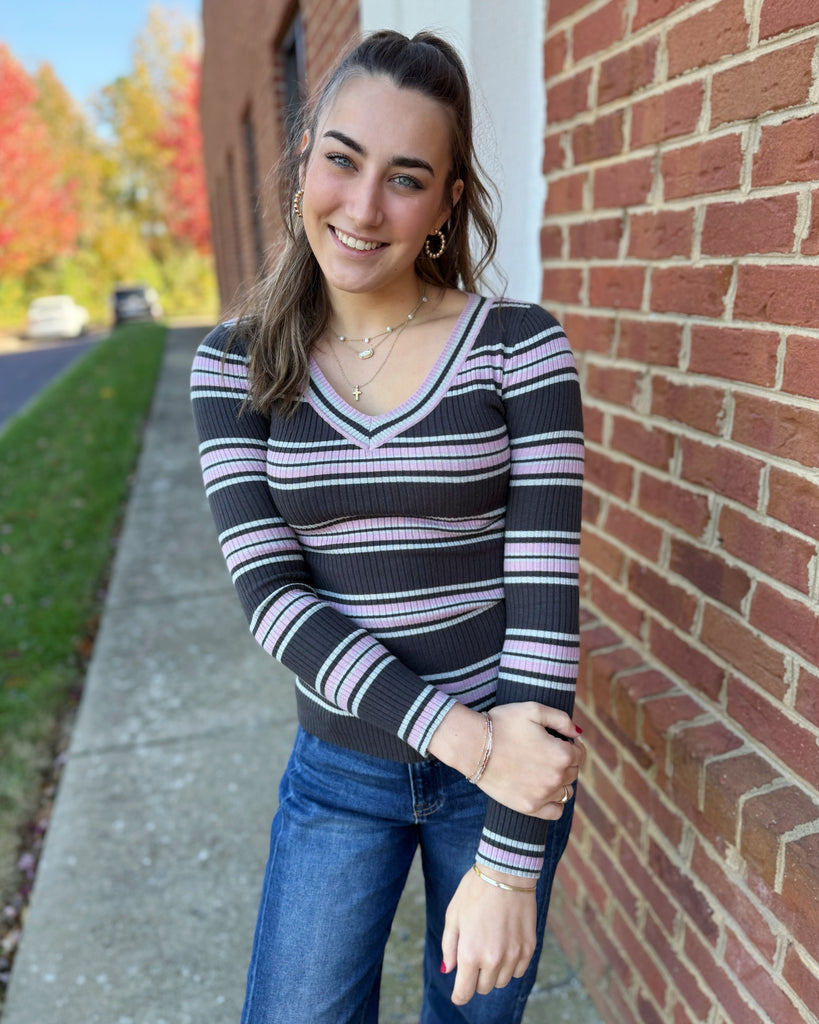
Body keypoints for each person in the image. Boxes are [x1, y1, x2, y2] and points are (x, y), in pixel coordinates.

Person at [190, 28, 585, 1024]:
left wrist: (510, 857)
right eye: (343, 160)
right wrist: (466, 739)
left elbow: (544, 603)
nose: (363, 208)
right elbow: (272, 600)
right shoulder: (236, 364)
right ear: (304, 161)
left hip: (500, 782)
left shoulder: (520, 349)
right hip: (347, 770)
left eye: (406, 178)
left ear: (447, 201)